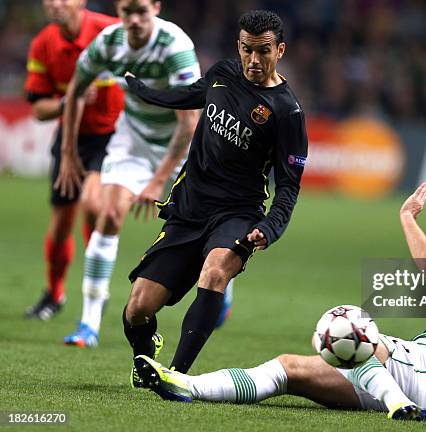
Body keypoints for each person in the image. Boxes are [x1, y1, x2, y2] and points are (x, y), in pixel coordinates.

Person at [133, 183, 426, 422]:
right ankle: (184, 384)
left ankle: (398, 402)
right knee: (288, 370)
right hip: (425, 377)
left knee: (349, 324)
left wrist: (407, 217)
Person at [121, 9, 308, 385]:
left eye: (263, 51)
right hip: (189, 208)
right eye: (246, 50)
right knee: (137, 309)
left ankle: (176, 376)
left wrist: (270, 227)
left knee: (216, 271)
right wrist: (145, 92)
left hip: (237, 214)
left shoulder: (288, 112)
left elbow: (289, 184)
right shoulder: (222, 74)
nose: (254, 60)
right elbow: (191, 94)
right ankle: (146, 356)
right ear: (238, 46)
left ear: (280, 50)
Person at [55, 0, 201, 347]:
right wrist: (67, 151)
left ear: (156, 8)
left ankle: (220, 289)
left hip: (184, 144)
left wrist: (157, 180)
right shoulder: (108, 42)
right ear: (118, 12)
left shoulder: (175, 46)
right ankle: (89, 323)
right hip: (133, 139)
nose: (134, 20)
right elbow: (76, 87)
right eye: (126, 12)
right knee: (108, 214)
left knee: (203, 229)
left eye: (141, 11)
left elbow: (190, 121)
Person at [24, 0, 123, 320]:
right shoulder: (43, 44)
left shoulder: (111, 31)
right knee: (61, 225)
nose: (55, 4)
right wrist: (70, 99)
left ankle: (97, 286)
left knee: (94, 205)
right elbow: (39, 110)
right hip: (71, 140)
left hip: (111, 136)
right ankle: (54, 295)